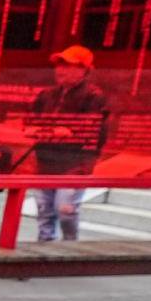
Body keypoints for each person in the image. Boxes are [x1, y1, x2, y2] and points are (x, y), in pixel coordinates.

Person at [29, 43, 111, 241]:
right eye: (59, 65)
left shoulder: (94, 97)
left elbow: (96, 131)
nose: (60, 70)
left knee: (66, 210)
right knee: (44, 210)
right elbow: (32, 120)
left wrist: (70, 133)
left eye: (68, 65)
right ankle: (43, 251)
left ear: (84, 70)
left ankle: (70, 247)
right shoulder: (47, 95)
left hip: (75, 164)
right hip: (45, 161)